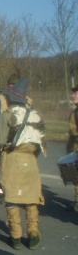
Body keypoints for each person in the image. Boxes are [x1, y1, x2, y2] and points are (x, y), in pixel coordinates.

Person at [0, 78, 46, 250]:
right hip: (30, 161)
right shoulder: (36, 115)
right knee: (31, 199)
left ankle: (15, 237)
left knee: (12, 198)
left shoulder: (7, 115)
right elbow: (41, 143)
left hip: (11, 159)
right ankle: (34, 234)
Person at [0, 73, 21, 139]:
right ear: (8, 85)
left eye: (15, 85)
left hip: (23, 138)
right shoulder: (1, 101)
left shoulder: (27, 102)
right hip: (5, 137)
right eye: (11, 84)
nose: (12, 87)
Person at [65, 84, 78, 212]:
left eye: (76, 93)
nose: (72, 95)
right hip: (75, 148)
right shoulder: (75, 111)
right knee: (76, 178)